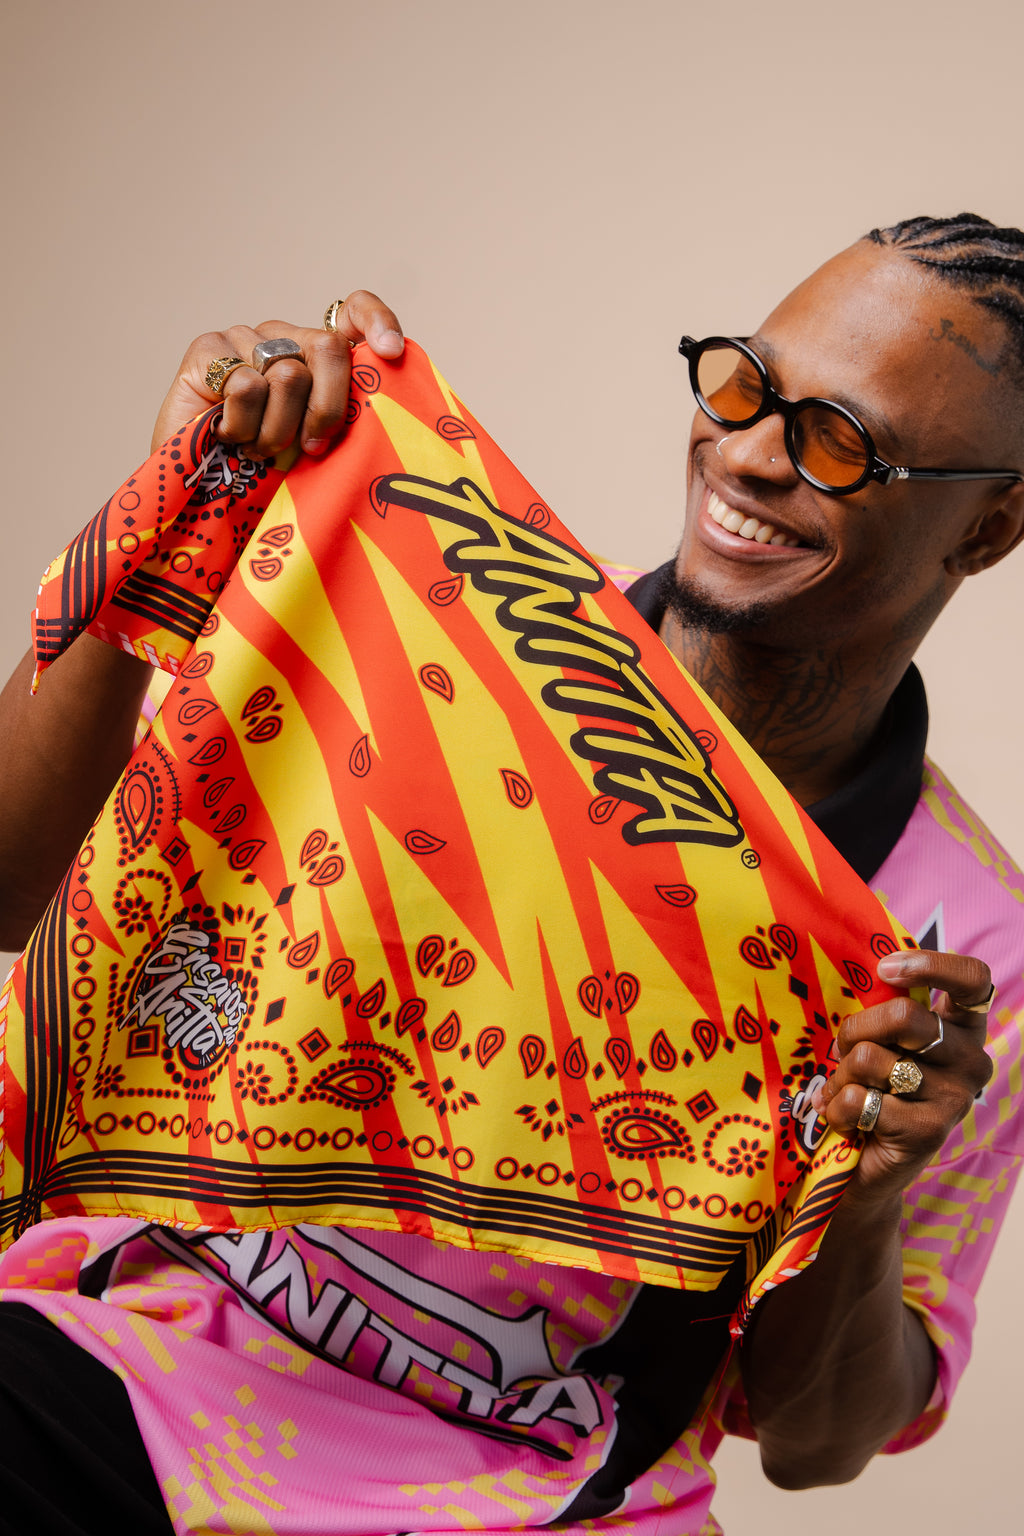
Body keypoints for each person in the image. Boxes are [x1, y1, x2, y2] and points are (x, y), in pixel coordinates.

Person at [0, 212, 1019, 1536]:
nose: (749, 454)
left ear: (990, 529)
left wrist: (864, 1199)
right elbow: (14, 892)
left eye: (840, 442)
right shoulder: (436, 613)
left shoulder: (965, 941)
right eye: (742, 385)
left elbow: (817, 1447)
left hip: (538, 1504)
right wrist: (170, 519)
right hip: (131, 1374)